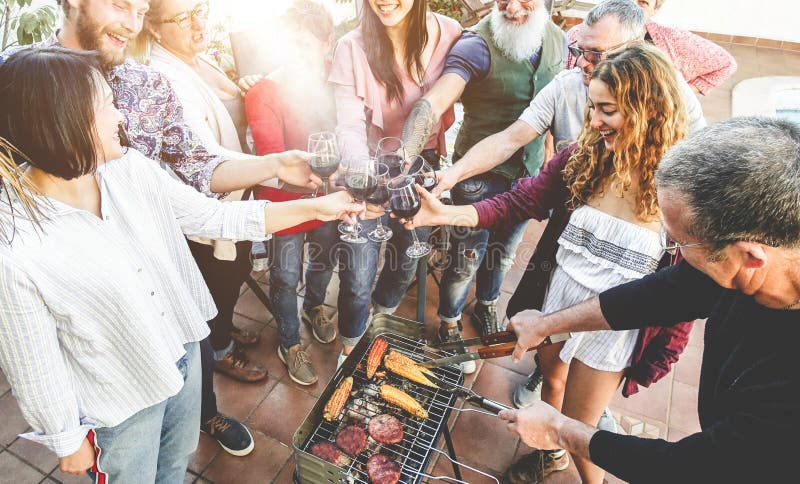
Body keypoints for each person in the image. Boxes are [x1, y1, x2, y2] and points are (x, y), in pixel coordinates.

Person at [0, 48, 362, 482]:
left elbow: (216, 216)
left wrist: (320, 207)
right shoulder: (15, 242)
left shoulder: (130, 170)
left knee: (174, 465)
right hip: (121, 400)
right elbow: (33, 359)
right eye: (107, 104)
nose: (122, 117)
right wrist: (65, 437)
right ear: (60, 120)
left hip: (185, 354)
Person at [403, 43, 693, 483]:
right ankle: (552, 457)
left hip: (615, 325)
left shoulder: (682, 188)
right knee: (552, 381)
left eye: (607, 110)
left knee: (581, 426)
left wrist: (665, 349)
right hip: (559, 304)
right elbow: (519, 201)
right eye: (593, 107)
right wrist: (446, 214)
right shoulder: (583, 158)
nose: (594, 121)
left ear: (646, 107)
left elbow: (685, 292)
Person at [428, 0, 705, 406]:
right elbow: (514, 158)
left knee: (581, 417)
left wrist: (664, 348)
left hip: (622, 308)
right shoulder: (578, 134)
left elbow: (688, 281)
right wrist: (450, 187)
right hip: (570, 245)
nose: (584, 62)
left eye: (595, 54)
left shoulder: (678, 156)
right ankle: (548, 388)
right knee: (556, 378)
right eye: (581, 50)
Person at [496, 116, 800, 484]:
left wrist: (561, 431)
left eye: (678, 244)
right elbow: (667, 292)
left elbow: (694, 468)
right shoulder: (751, 258)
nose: (673, 252)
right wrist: (547, 324)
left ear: (750, 258)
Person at [398, 0, 566, 362]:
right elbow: (434, 102)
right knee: (465, 258)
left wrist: (549, 156)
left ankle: (486, 305)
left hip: (528, 175)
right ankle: (448, 322)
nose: (512, 6)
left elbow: (554, 107)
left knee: (503, 252)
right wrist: (403, 154)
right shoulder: (475, 44)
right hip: (477, 177)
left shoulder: (558, 39)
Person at [134, 0, 271, 401]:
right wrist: (276, 166)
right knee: (217, 282)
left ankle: (223, 330)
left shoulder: (198, 58)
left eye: (200, 10)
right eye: (182, 18)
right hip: (206, 204)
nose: (198, 24)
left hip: (237, 193)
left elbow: (228, 101)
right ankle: (221, 347)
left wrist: (246, 88)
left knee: (236, 269)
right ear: (154, 29)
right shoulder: (163, 76)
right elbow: (203, 160)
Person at [328, 0, 461, 362]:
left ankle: (382, 315)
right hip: (369, 169)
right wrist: (363, 179)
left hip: (420, 169)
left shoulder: (450, 33)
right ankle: (352, 342)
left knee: (405, 262)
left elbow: (463, 100)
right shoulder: (351, 47)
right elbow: (350, 126)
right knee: (357, 273)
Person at [245, 0, 339, 385]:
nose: (297, 53)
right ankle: (289, 342)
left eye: (306, 43)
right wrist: (322, 179)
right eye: (291, 43)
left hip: (329, 196)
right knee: (284, 276)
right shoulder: (265, 90)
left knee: (325, 260)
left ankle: (314, 307)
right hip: (286, 204)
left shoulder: (335, 84)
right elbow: (272, 155)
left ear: (326, 43)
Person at [566, 0, 737, 94]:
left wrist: (681, 94)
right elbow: (557, 94)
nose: (631, 7)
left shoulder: (672, 40)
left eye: (643, 2)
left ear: (656, 9)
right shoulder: (577, 35)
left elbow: (726, 64)